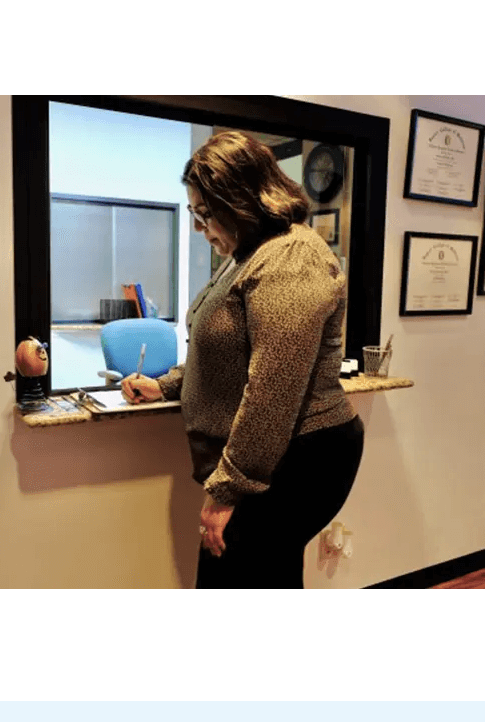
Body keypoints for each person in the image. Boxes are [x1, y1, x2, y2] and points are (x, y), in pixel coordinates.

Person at [120, 130, 364, 588]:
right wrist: (169, 384)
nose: (197, 226)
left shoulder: (291, 257)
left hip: (300, 455)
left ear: (242, 200)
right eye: (195, 211)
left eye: (204, 212)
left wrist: (228, 488)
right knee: (257, 577)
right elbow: (222, 350)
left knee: (233, 578)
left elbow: (274, 387)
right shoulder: (247, 253)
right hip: (273, 456)